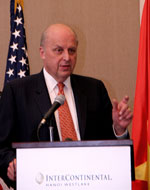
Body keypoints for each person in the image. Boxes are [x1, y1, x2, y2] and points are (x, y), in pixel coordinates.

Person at [0, 24, 132, 187]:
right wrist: (10, 165)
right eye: (58, 50)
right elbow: (2, 147)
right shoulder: (17, 91)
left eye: (72, 50)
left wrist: (119, 130)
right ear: (42, 52)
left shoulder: (94, 89)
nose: (67, 57)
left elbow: (111, 149)